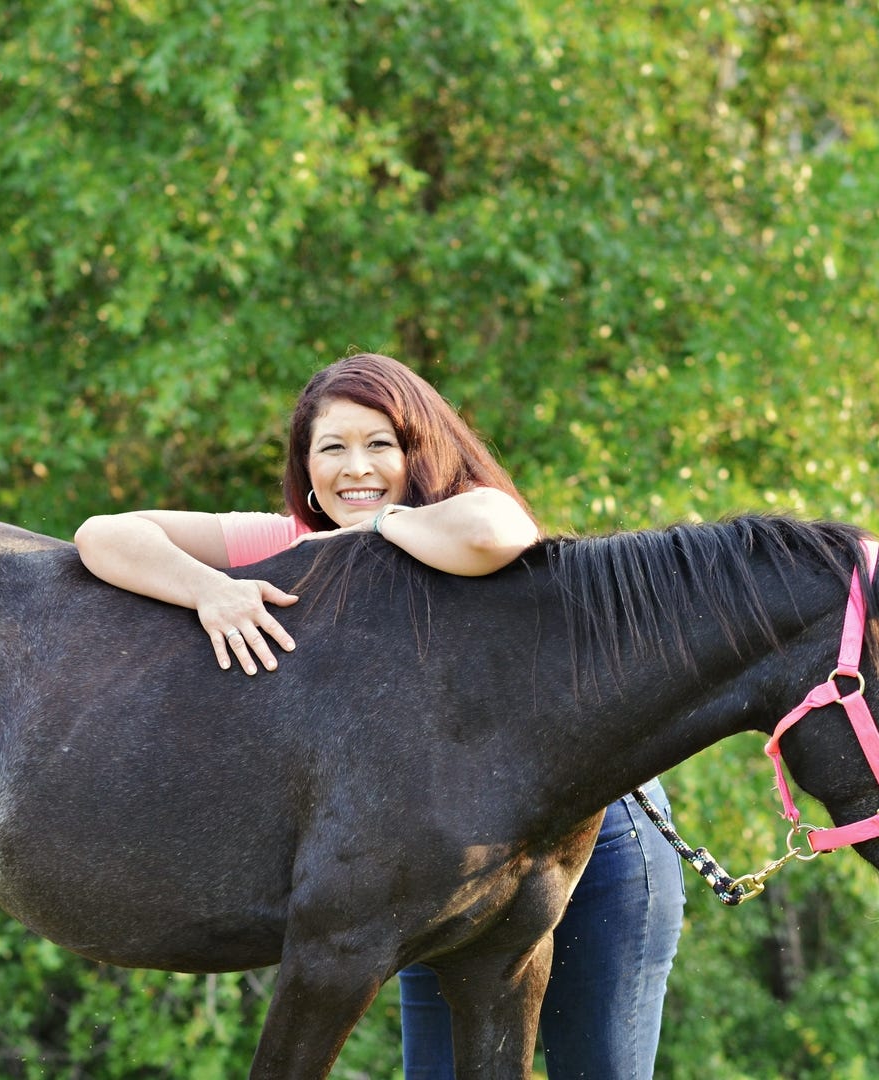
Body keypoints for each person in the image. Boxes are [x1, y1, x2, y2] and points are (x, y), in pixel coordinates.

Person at [74, 352, 683, 1078]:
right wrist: (209, 590)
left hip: (594, 833)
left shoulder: (460, 518)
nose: (354, 468)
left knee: (599, 1069)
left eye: (379, 445)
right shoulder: (290, 543)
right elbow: (102, 533)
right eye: (331, 448)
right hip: (449, 842)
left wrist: (377, 526)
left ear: (418, 451)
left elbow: (498, 532)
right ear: (306, 466)